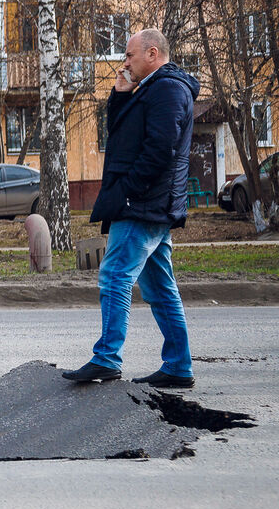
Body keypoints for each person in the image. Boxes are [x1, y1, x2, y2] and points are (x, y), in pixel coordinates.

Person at [62, 28, 198, 388]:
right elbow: (124, 137)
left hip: (143, 205)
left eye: (129, 56)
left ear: (152, 54)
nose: (124, 63)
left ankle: (107, 358)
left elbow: (160, 150)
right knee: (160, 289)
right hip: (149, 204)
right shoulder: (152, 88)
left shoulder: (169, 89)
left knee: (115, 275)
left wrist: (127, 193)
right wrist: (121, 96)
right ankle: (179, 367)